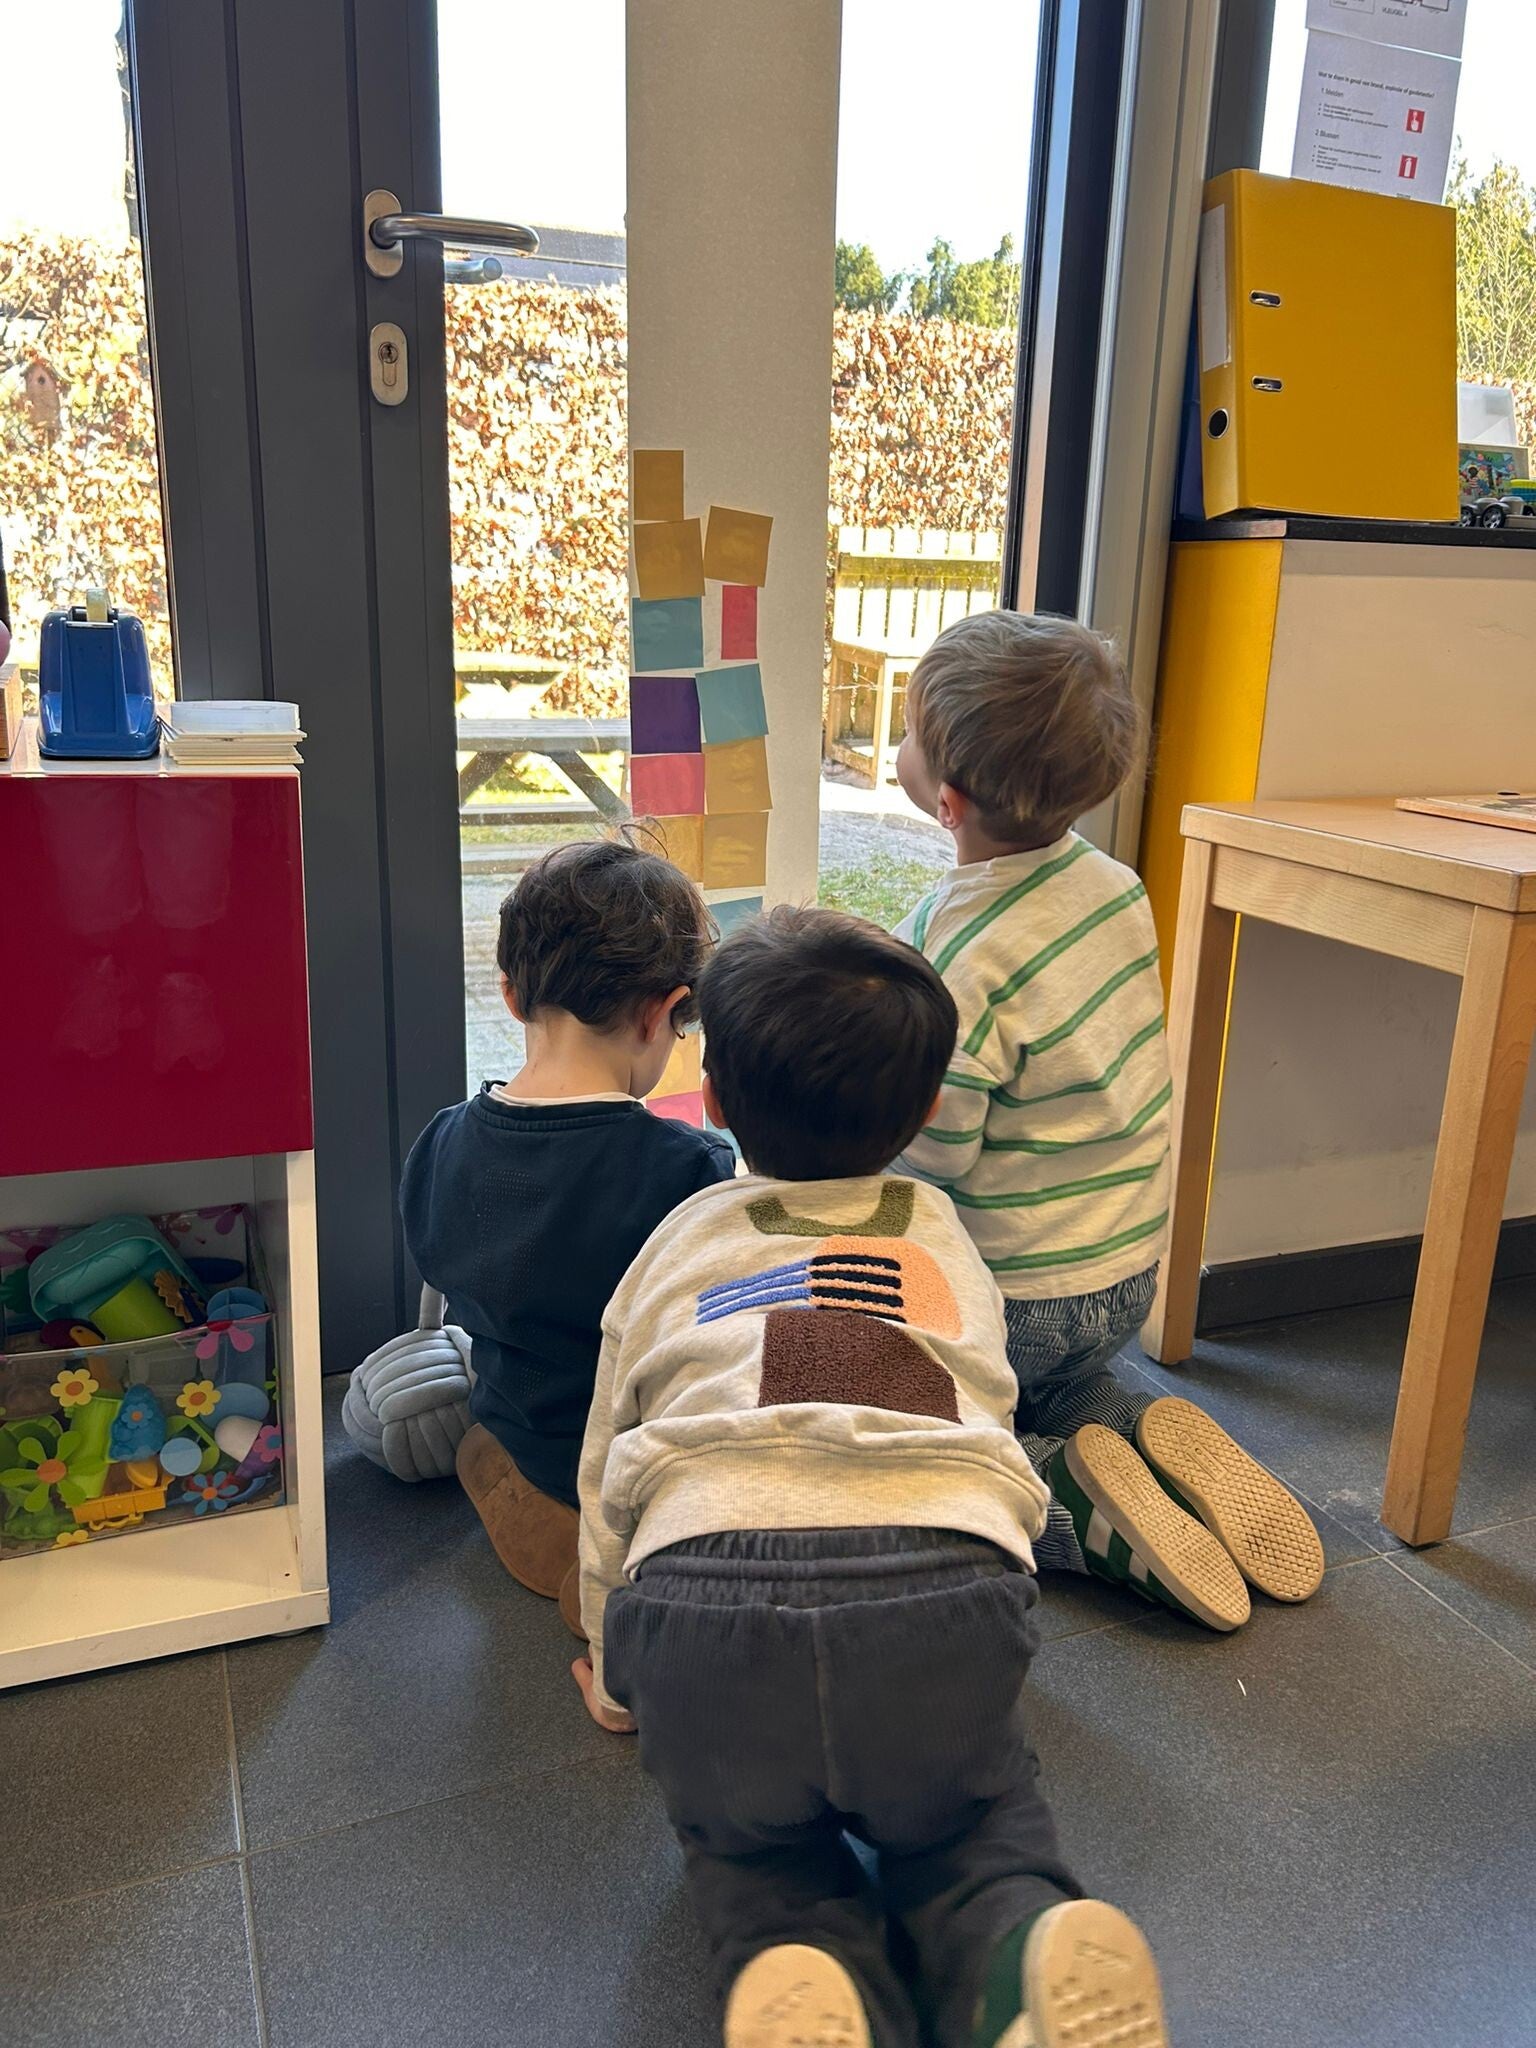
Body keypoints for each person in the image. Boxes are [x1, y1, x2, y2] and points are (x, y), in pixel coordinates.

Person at [573, 906, 1169, 2048]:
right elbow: (987, 1400)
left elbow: (609, 1456)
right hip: (943, 1593)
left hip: (704, 1608)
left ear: (717, 1101)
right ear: (927, 1107)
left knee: (752, 1855)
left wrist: (611, 1655)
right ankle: (1016, 1942)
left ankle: (798, 1955)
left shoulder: (678, 1242)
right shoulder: (943, 1237)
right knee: (970, 1829)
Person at [894, 609, 1323, 1628]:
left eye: (909, 735)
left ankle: (1067, 1504)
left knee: (931, 1429)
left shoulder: (960, 955)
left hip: (1014, 1298)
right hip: (1124, 1272)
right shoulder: (1116, 887)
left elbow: (937, 1154)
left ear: (947, 802)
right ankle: (1134, 1429)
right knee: (1060, 1378)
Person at [400, 836, 735, 1623]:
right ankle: (607, 1560)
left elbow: (443, 1269)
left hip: (514, 1426)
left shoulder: (441, 1139)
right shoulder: (687, 1169)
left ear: (511, 995)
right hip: (623, 1467)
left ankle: (520, 1492)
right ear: (659, 1013)